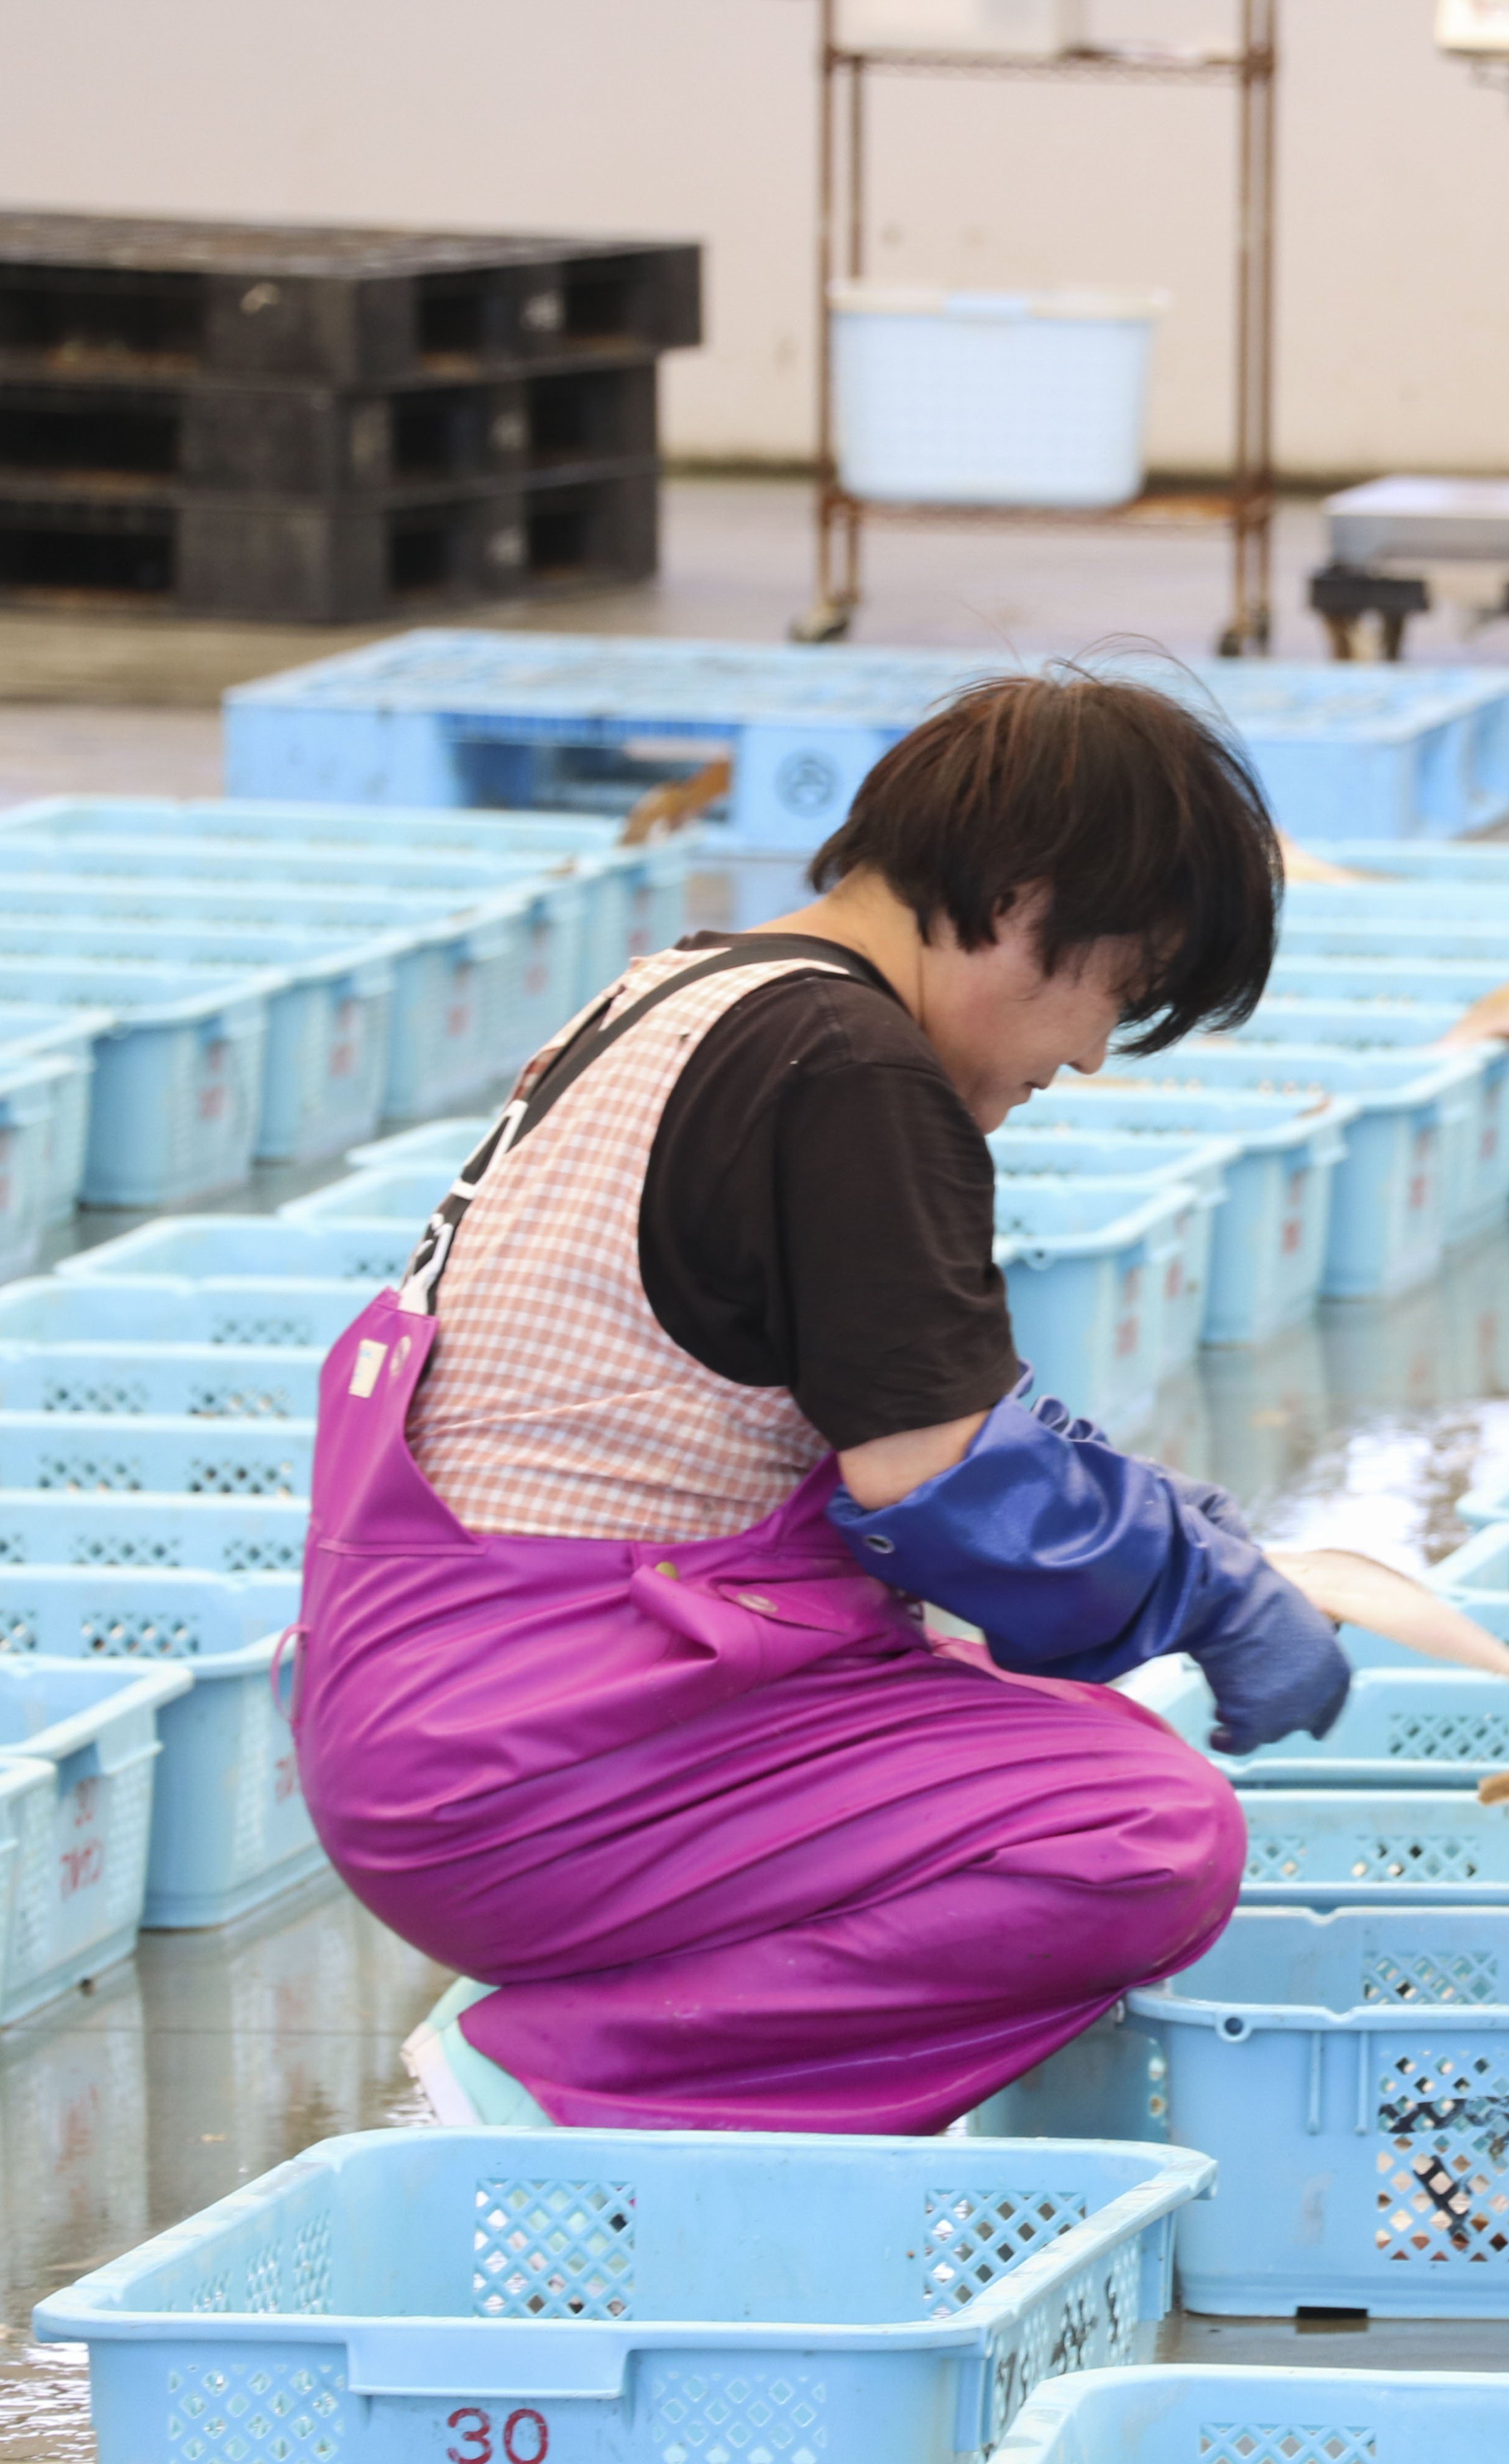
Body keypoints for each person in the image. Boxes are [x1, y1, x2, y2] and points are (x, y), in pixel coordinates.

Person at [291, 666, 1351, 2133]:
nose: (1093, 1052)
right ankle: (588, 2059)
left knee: (1023, 1718)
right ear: (1022, 895)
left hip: (429, 1712)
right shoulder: (849, 1070)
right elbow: (955, 1493)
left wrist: (1164, 1532)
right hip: (541, 1749)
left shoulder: (686, 990)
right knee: (1141, 1833)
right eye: (1117, 985)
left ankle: (625, 2023)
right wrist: (1206, 1585)